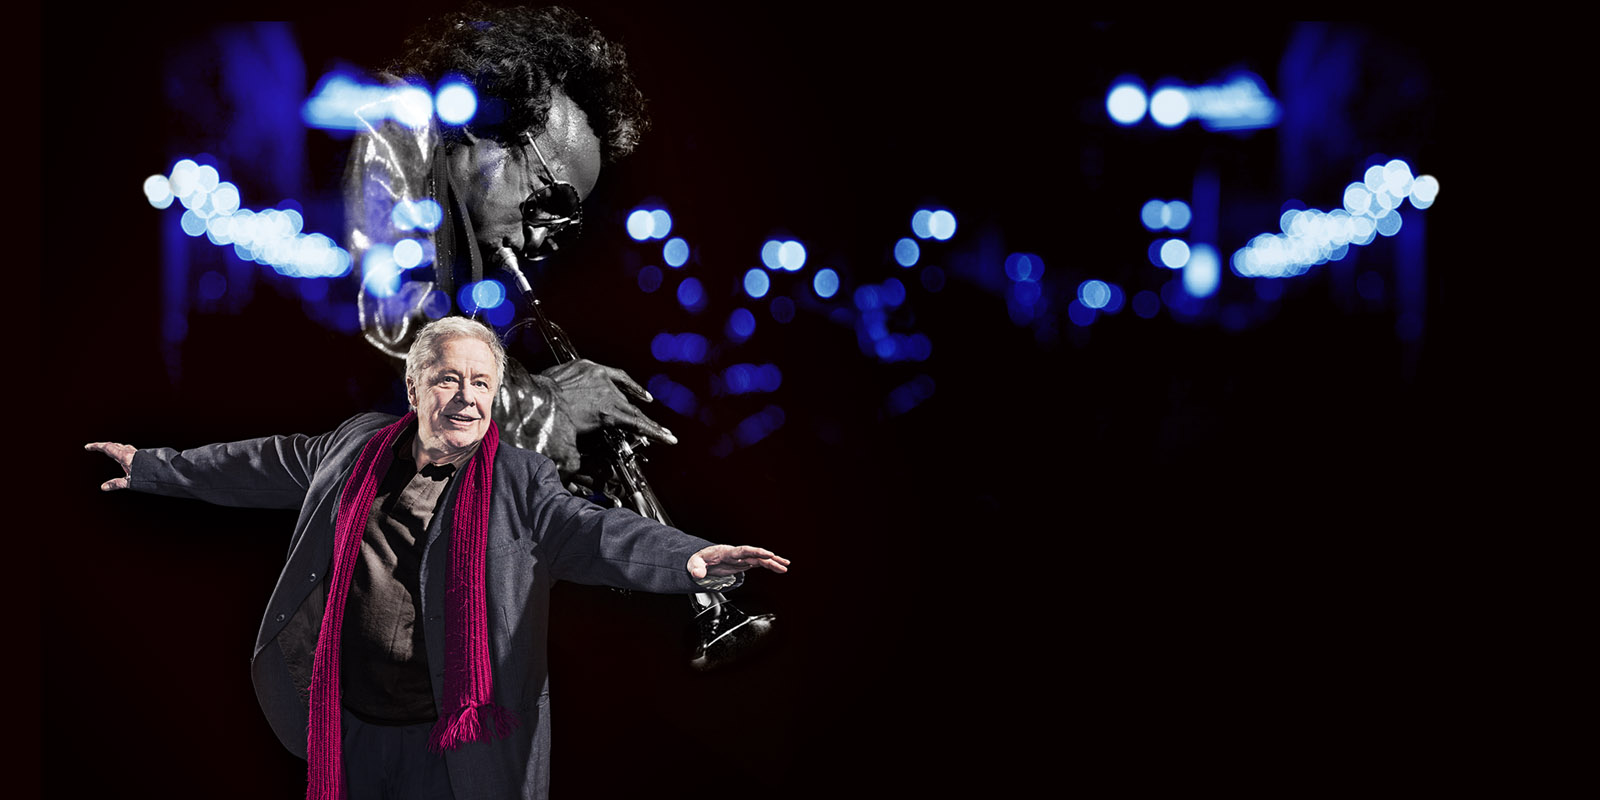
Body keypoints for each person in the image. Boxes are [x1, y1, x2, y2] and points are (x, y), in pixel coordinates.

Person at [86, 316, 789, 800]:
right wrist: (154, 468)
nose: (466, 398)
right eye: (449, 380)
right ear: (415, 387)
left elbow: (596, 531)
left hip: (456, 743)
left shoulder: (520, 480)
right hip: (351, 723)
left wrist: (693, 558)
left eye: (482, 384)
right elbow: (262, 463)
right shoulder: (357, 447)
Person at [343, 3, 773, 669]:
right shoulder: (398, 123)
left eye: (569, 226)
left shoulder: (460, 256)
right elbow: (393, 327)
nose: (548, 240)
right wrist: (546, 410)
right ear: (492, 130)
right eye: (552, 203)